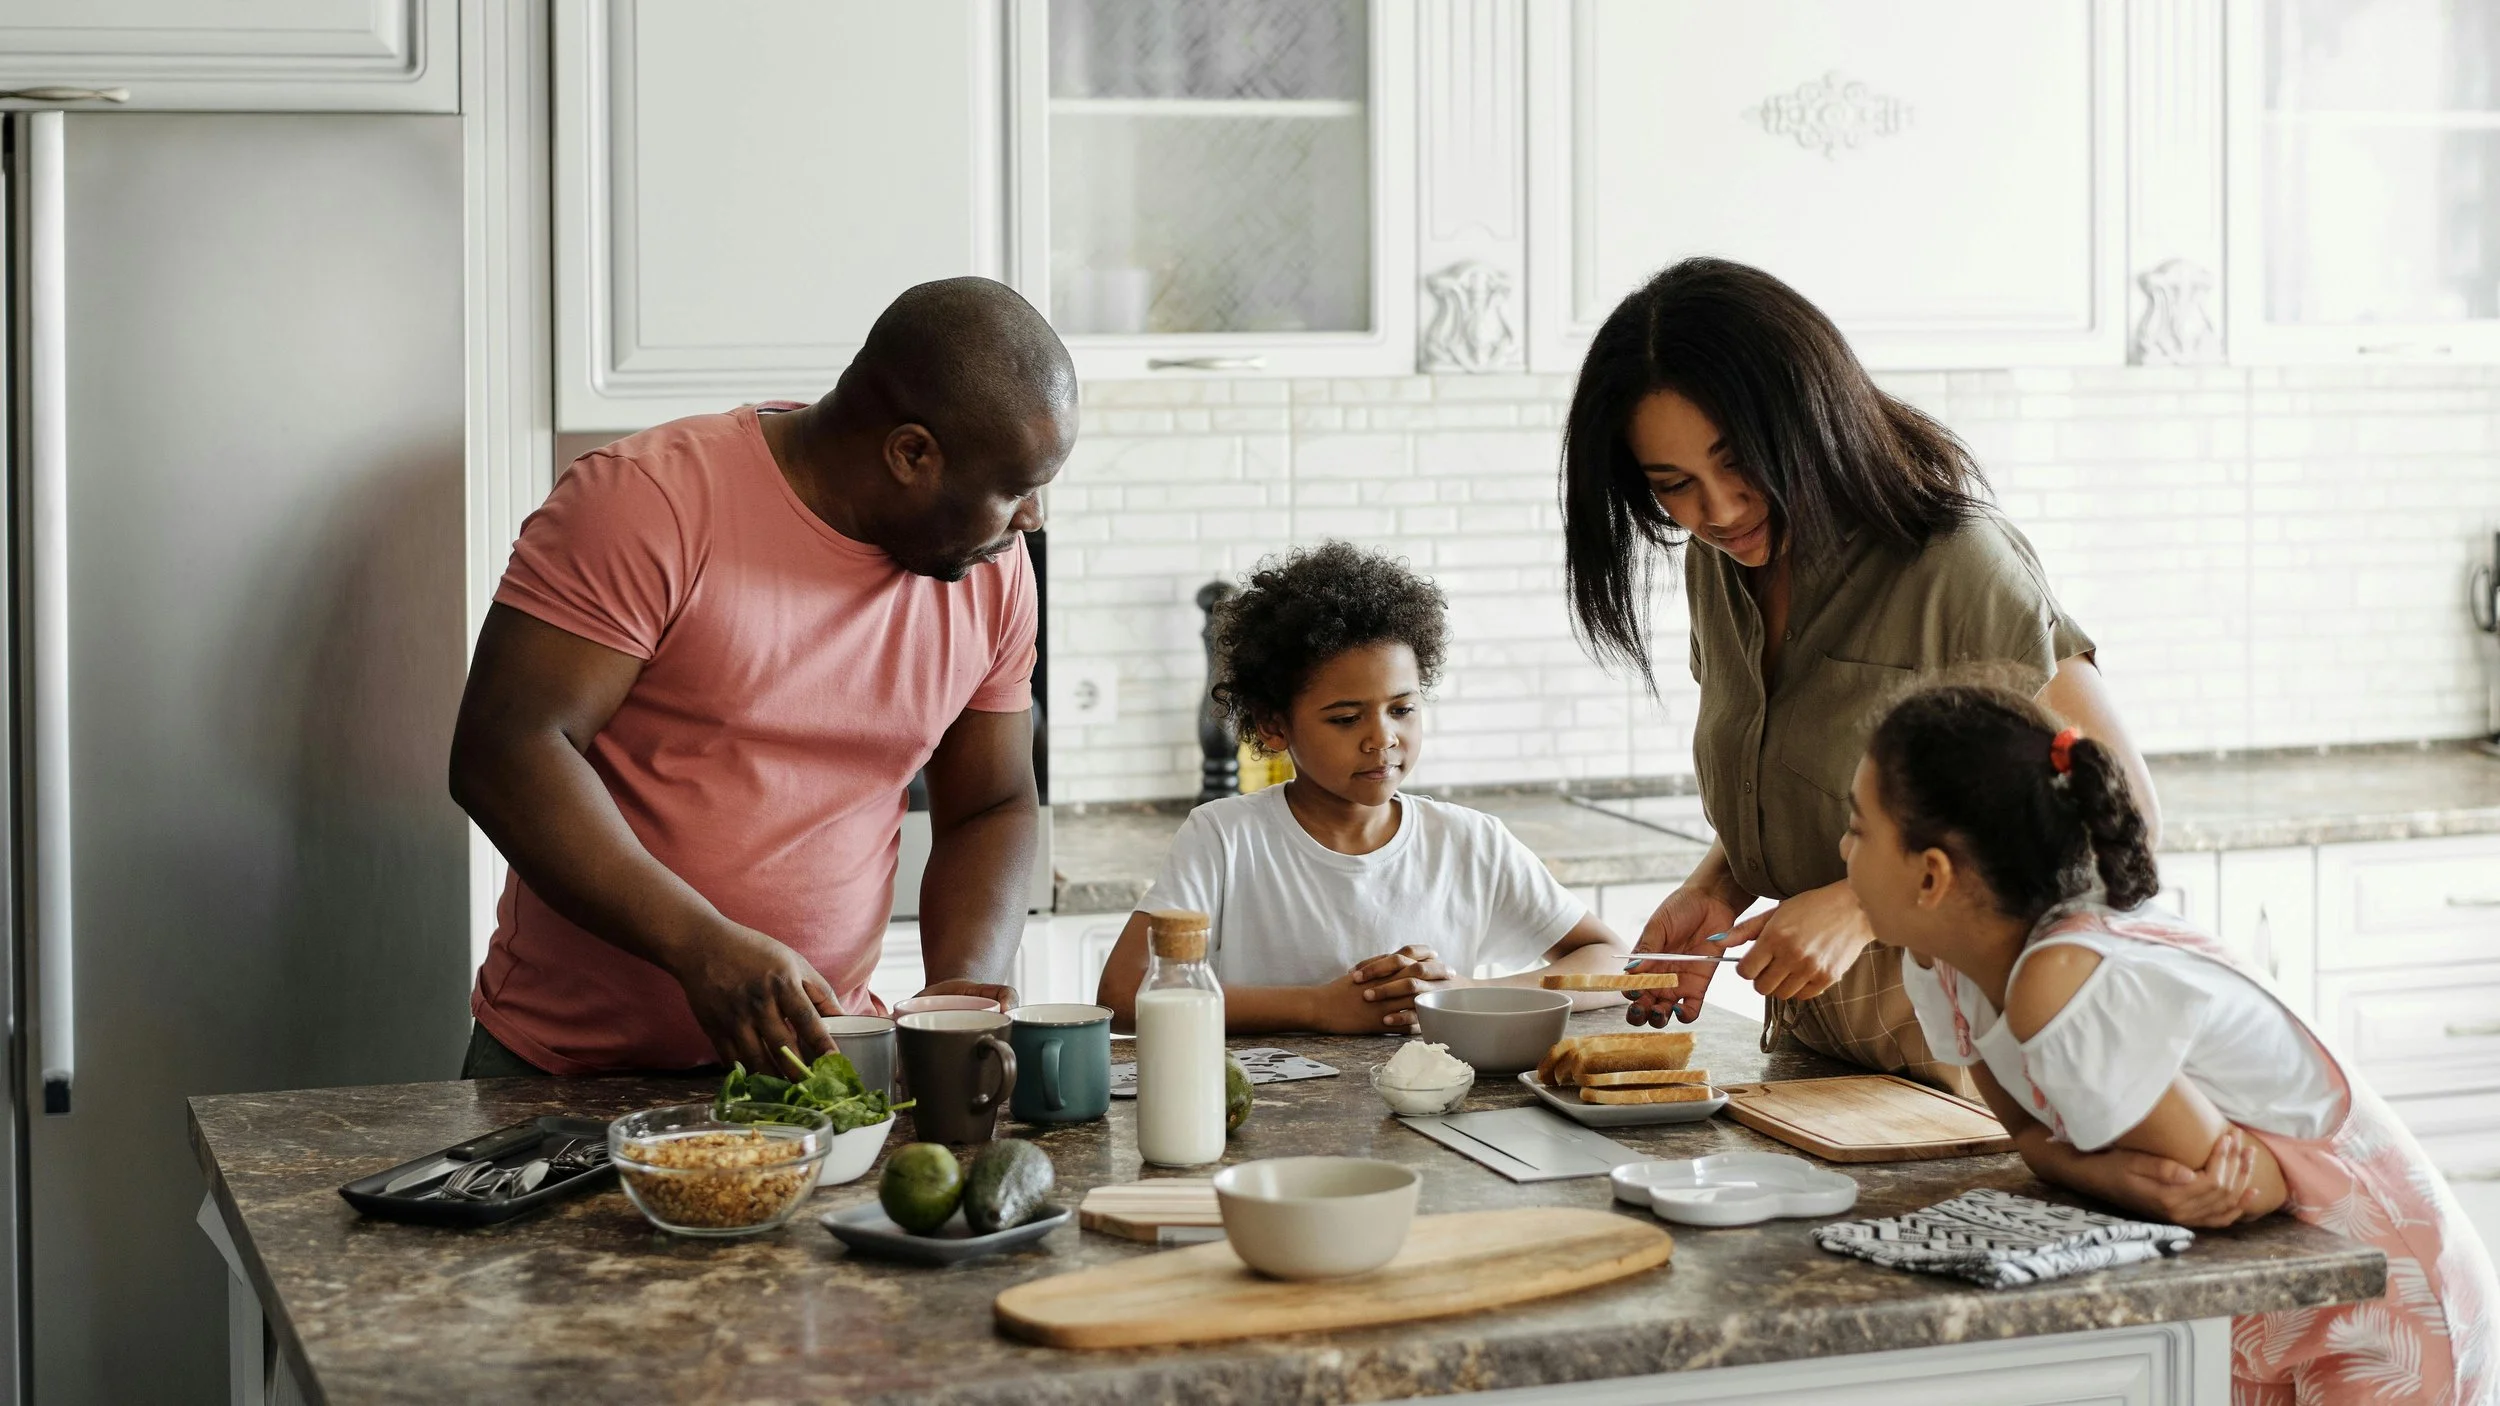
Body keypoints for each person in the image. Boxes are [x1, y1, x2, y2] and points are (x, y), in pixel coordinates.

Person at [1559, 256, 2157, 1091]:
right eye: (1674, 486)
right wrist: (1720, 884)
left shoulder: (1957, 562)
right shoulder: (1720, 561)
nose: (1719, 510)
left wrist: (1862, 909)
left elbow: (2114, 823)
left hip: (1979, 1066)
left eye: (1739, 462)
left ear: (1809, 419)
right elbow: (1828, 784)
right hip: (1820, 1056)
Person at [449, 277, 1072, 1076]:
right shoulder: (647, 502)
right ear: (910, 453)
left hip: (812, 1073)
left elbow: (991, 804)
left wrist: (960, 998)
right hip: (566, 1074)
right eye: (1015, 490)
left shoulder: (990, 571)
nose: (1034, 519)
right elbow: (505, 752)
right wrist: (698, 946)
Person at [1844, 678, 2495, 1404]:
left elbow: (2234, 1187)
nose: (1842, 850)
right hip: (2259, 1299)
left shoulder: (2060, 981)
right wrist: (2113, 1176)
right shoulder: (1944, 968)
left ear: (1932, 875)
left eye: (1858, 828)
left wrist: (2101, 1170)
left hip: (2381, 1297)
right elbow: (2029, 1137)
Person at [1095, 542, 1630, 1035]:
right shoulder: (1225, 838)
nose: (1382, 739)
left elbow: (1609, 960)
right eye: (1346, 718)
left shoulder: (1470, 841)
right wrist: (1317, 1007)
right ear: (1274, 726)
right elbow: (1122, 992)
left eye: (1402, 709)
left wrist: (1464, 994)